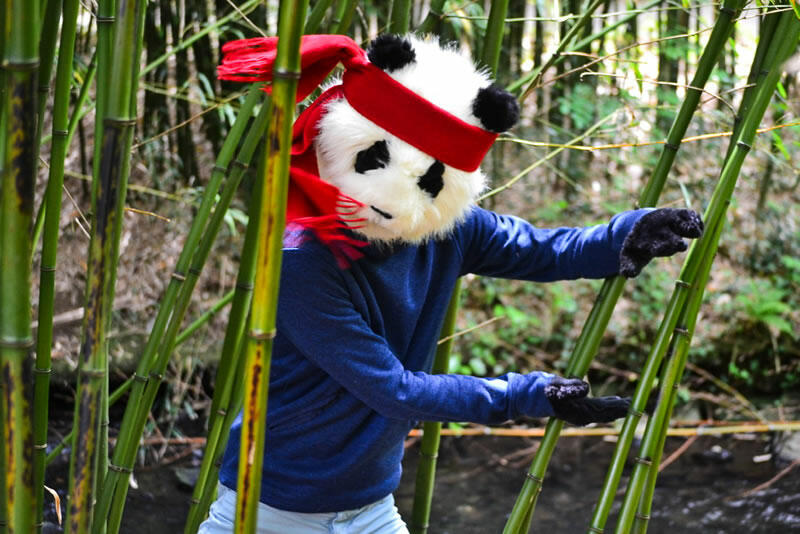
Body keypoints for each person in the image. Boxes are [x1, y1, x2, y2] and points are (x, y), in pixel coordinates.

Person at [199, 34, 703, 533]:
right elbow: (393, 389)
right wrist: (522, 395)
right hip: (267, 511)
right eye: (374, 160)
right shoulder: (301, 260)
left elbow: (541, 249)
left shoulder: (443, 229)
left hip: (369, 507)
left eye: (425, 181)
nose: (388, 199)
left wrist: (626, 235)